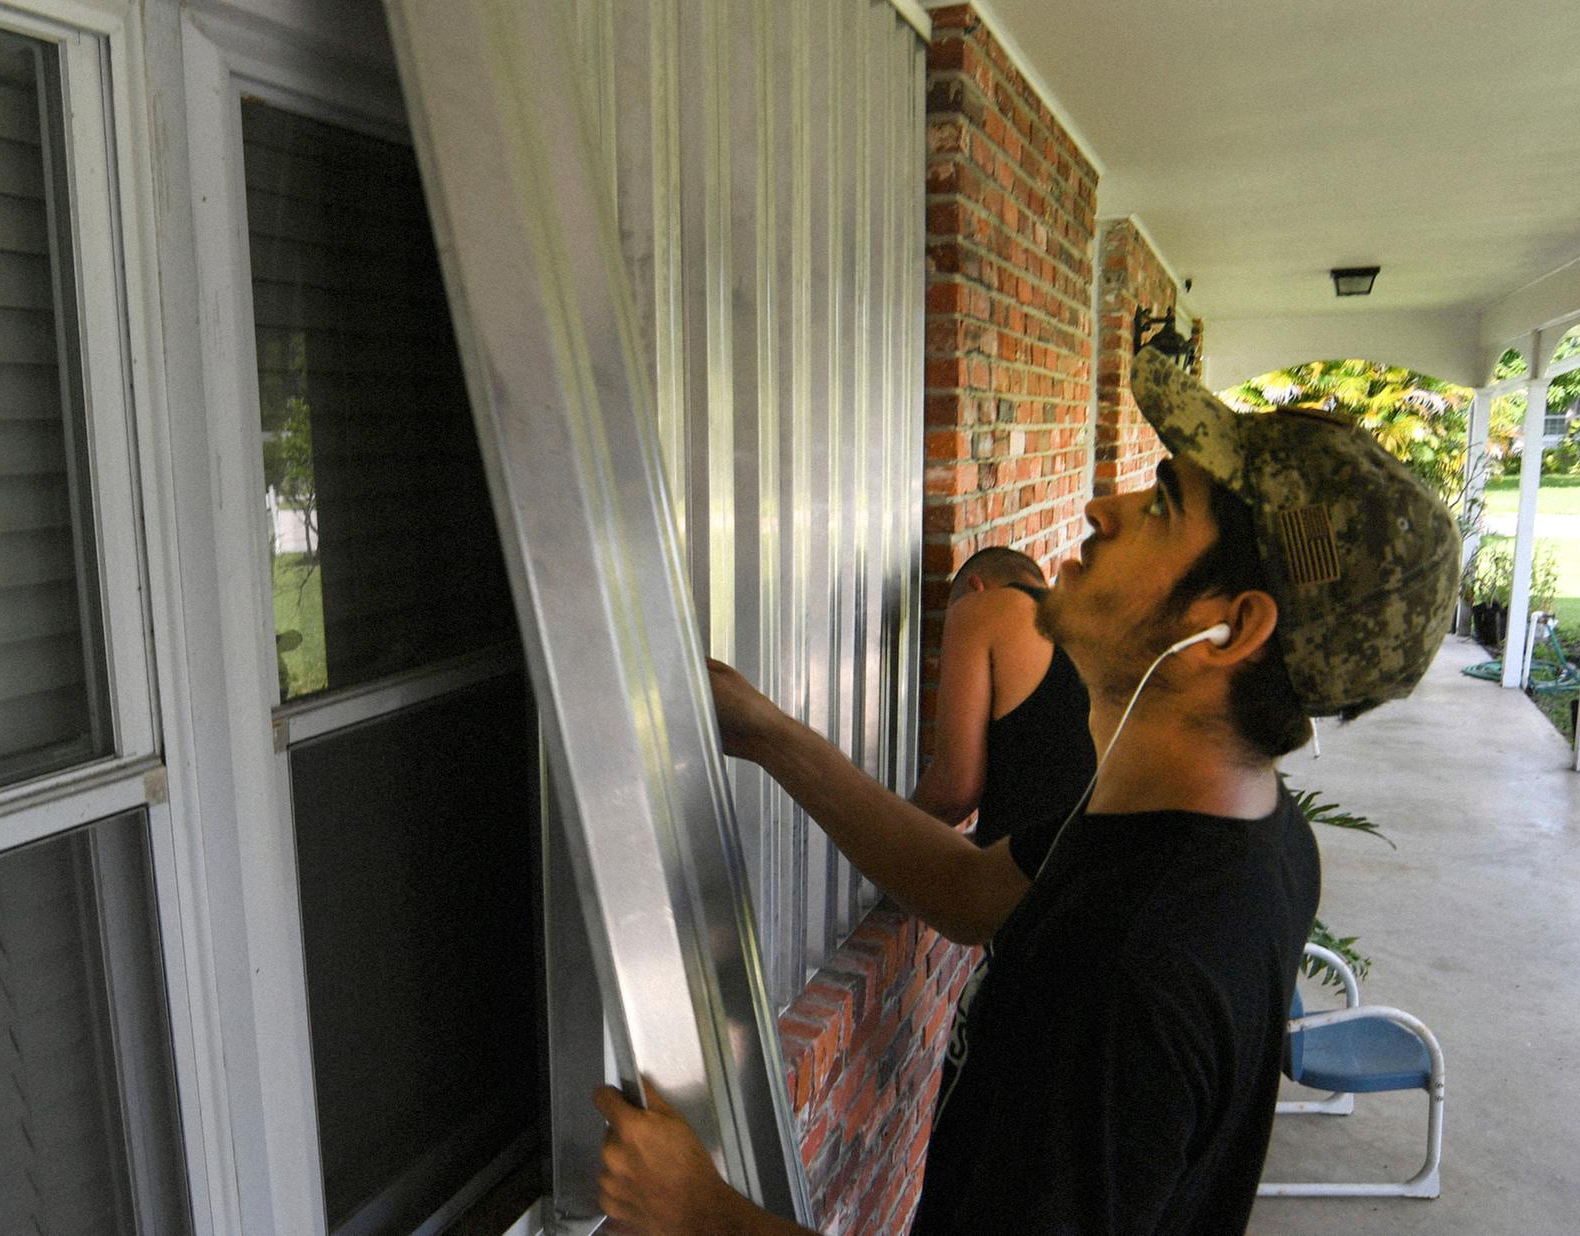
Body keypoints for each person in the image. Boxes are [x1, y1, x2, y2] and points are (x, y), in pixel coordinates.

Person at [591, 333, 1460, 1236]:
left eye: (1163, 506)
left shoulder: (1130, 966)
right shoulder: (1232, 831)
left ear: (1230, 628)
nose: (1103, 506)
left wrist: (697, 1212)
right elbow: (969, 892)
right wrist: (773, 737)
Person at [912, 546, 1094, 858]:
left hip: (1027, 885)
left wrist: (880, 835)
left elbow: (954, 791)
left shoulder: (983, 609)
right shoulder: (1093, 623)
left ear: (975, 587)